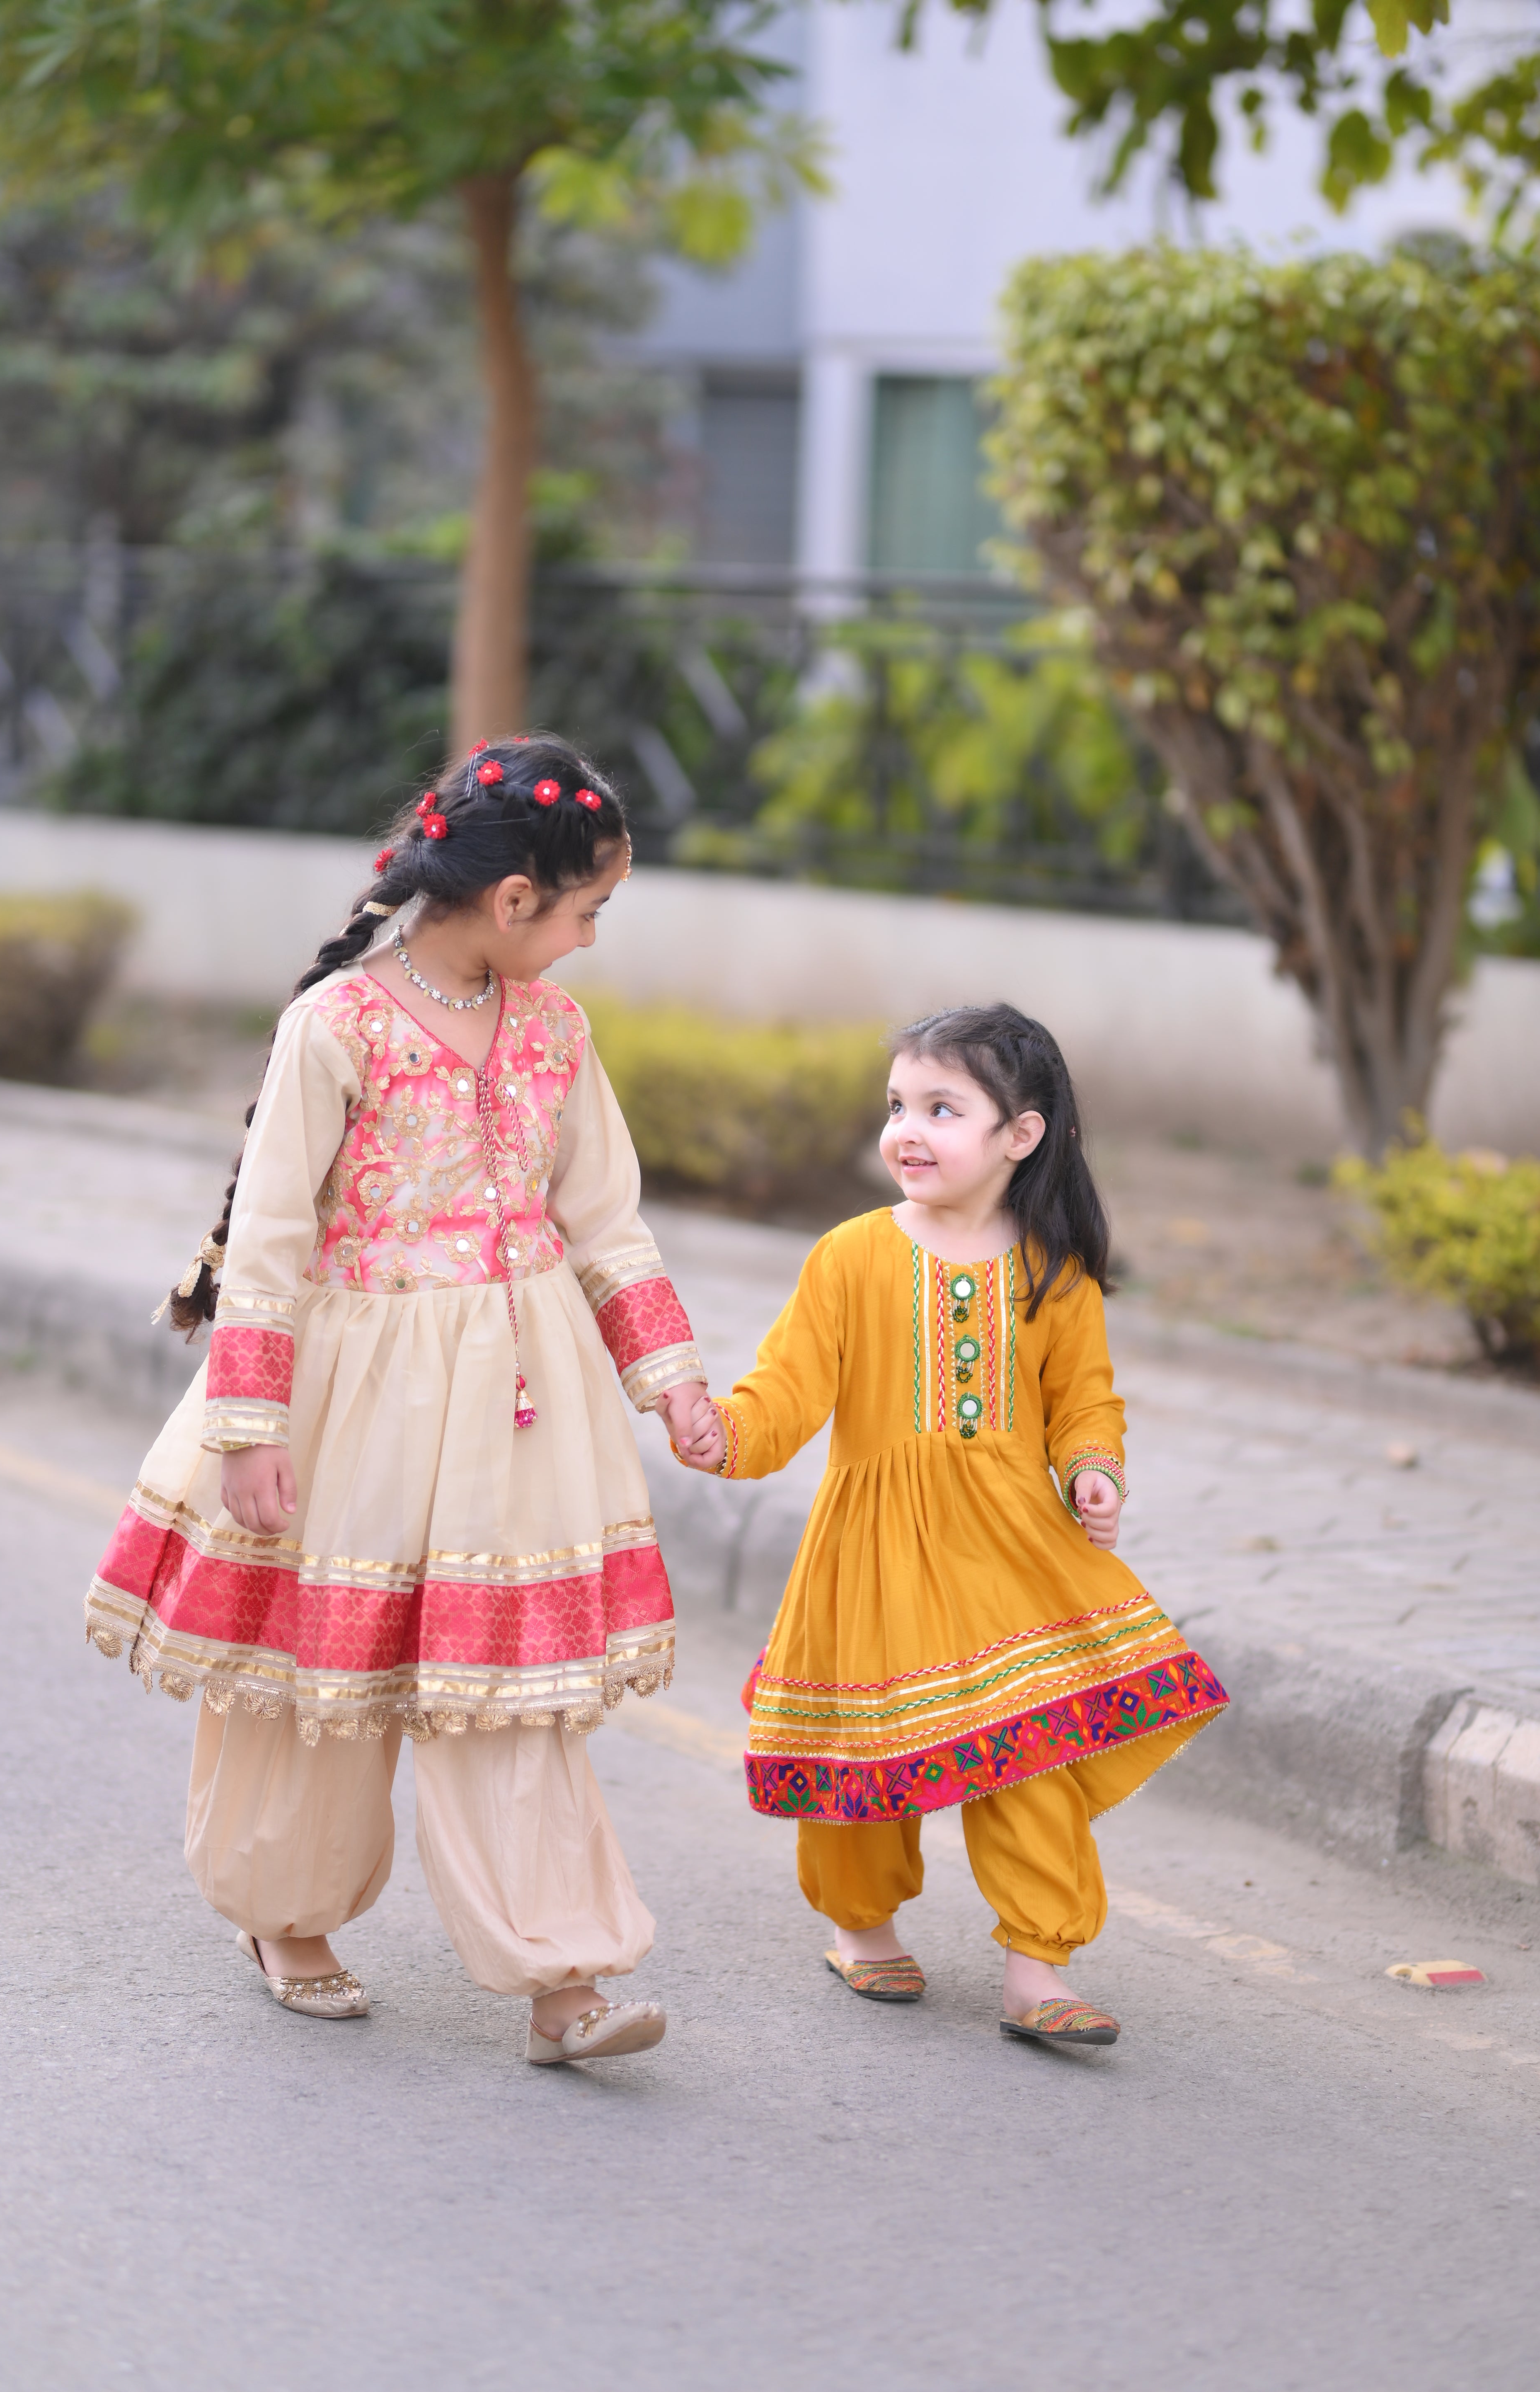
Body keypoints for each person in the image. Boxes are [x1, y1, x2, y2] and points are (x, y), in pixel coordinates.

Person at [86, 737, 711, 2065]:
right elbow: (267, 1243)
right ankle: (287, 1915)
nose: (593, 939)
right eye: (590, 908)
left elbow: (606, 1220)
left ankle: (564, 1975)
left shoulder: (556, 1031)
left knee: (514, 1682)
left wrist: (671, 1379)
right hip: (352, 1396)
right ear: (514, 898)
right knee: (322, 1672)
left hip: (519, 1398)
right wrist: (249, 1428)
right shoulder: (338, 1025)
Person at [677, 1003, 1228, 2050]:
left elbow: (1086, 1398)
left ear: (1021, 1135)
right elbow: (787, 1390)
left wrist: (1094, 1470)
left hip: (1013, 1550)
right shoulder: (850, 1256)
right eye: (898, 1106)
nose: (907, 1131)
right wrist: (727, 1436)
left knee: (1033, 1747)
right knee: (865, 1754)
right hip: (876, 1555)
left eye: (942, 1108)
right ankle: (863, 1926)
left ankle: (1038, 1965)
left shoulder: (1055, 1269)